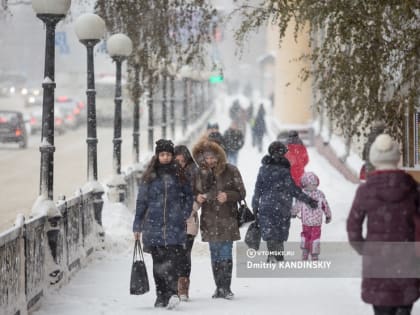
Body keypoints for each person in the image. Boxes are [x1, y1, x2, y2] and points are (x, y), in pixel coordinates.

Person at [347, 134, 420, 315]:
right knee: (404, 307)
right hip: (407, 261)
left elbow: (353, 227)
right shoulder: (412, 188)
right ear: (397, 158)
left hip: (378, 263)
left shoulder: (366, 190)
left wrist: (366, 249)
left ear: (374, 158)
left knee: (382, 308)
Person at [133, 139, 193, 309]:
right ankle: (161, 295)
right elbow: (141, 202)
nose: (165, 157)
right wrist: (137, 226)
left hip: (175, 227)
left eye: (168, 154)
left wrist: (184, 213)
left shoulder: (180, 175)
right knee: (158, 264)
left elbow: (189, 196)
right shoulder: (150, 176)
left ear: (172, 156)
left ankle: (173, 293)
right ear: (158, 155)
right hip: (154, 227)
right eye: (162, 154)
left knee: (173, 262)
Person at [192, 139, 246, 300]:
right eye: (206, 158)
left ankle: (226, 288)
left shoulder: (231, 170)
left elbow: (242, 193)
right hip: (209, 219)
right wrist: (198, 197)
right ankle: (218, 288)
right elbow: (193, 192)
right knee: (215, 254)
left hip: (227, 218)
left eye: (213, 157)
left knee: (226, 252)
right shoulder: (199, 173)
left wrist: (228, 196)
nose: (210, 161)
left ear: (219, 156)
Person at [252, 141, 318, 262]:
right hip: (282, 205)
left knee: (269, 230)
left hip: (266, 205)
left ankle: (272, 254)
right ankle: (278, 255)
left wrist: (255, 206)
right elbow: (293, 190)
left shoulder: (263, 169)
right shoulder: (284, 171)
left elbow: (257, 190)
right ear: (281, 153)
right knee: (280, 230)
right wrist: (309, 200)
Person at [174, 145, 199, 302]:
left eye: (182, 159)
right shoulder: (170, 172)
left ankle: (183, 287)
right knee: (173, 255)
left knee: (184, 254)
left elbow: (200, 196)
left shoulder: (195, 172)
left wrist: (190, 209)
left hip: (190, 220)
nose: (180, 161)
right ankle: (173, 286)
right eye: (177, 158)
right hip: (172, 220)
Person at [291, 172, 332, 260]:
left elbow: (297, 206)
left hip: (306, 222)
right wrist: (328, 215)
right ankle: (314, 254)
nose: (312, 187)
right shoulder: (320, 194)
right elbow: (326, 206)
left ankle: (305, 251)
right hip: (317, 222)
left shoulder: (303, 195)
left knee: (306, 235)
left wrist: (293, 213)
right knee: (315, 237)